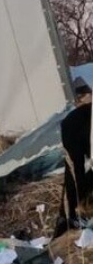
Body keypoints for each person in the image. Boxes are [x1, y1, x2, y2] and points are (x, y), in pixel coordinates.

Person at [53, 78, 93, 239]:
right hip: (77, 131)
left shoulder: (75, 119)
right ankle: (69, 221)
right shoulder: (75, 121)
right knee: (75, 175)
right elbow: (74, 173)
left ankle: (70, 220)